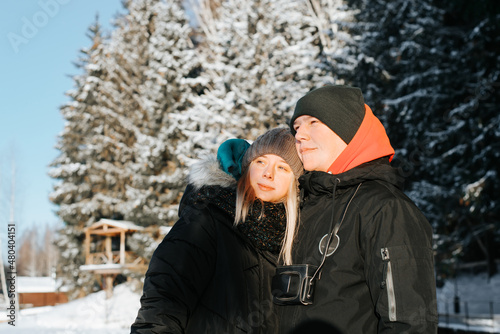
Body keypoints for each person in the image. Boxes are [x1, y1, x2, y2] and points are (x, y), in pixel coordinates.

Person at [274, 85, 438, 333]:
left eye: (313, 123)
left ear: (347, 131)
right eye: (296, 127)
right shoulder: (304, 204)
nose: (299, 135)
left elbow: (409, 323)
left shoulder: (386, 209)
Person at [130, 128, 304, 334]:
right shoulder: (208, 216)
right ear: (246, 168)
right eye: (260, 161)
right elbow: (164, 299)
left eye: (282, 168)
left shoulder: (299, 237)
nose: (268, 173)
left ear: (295, 183)